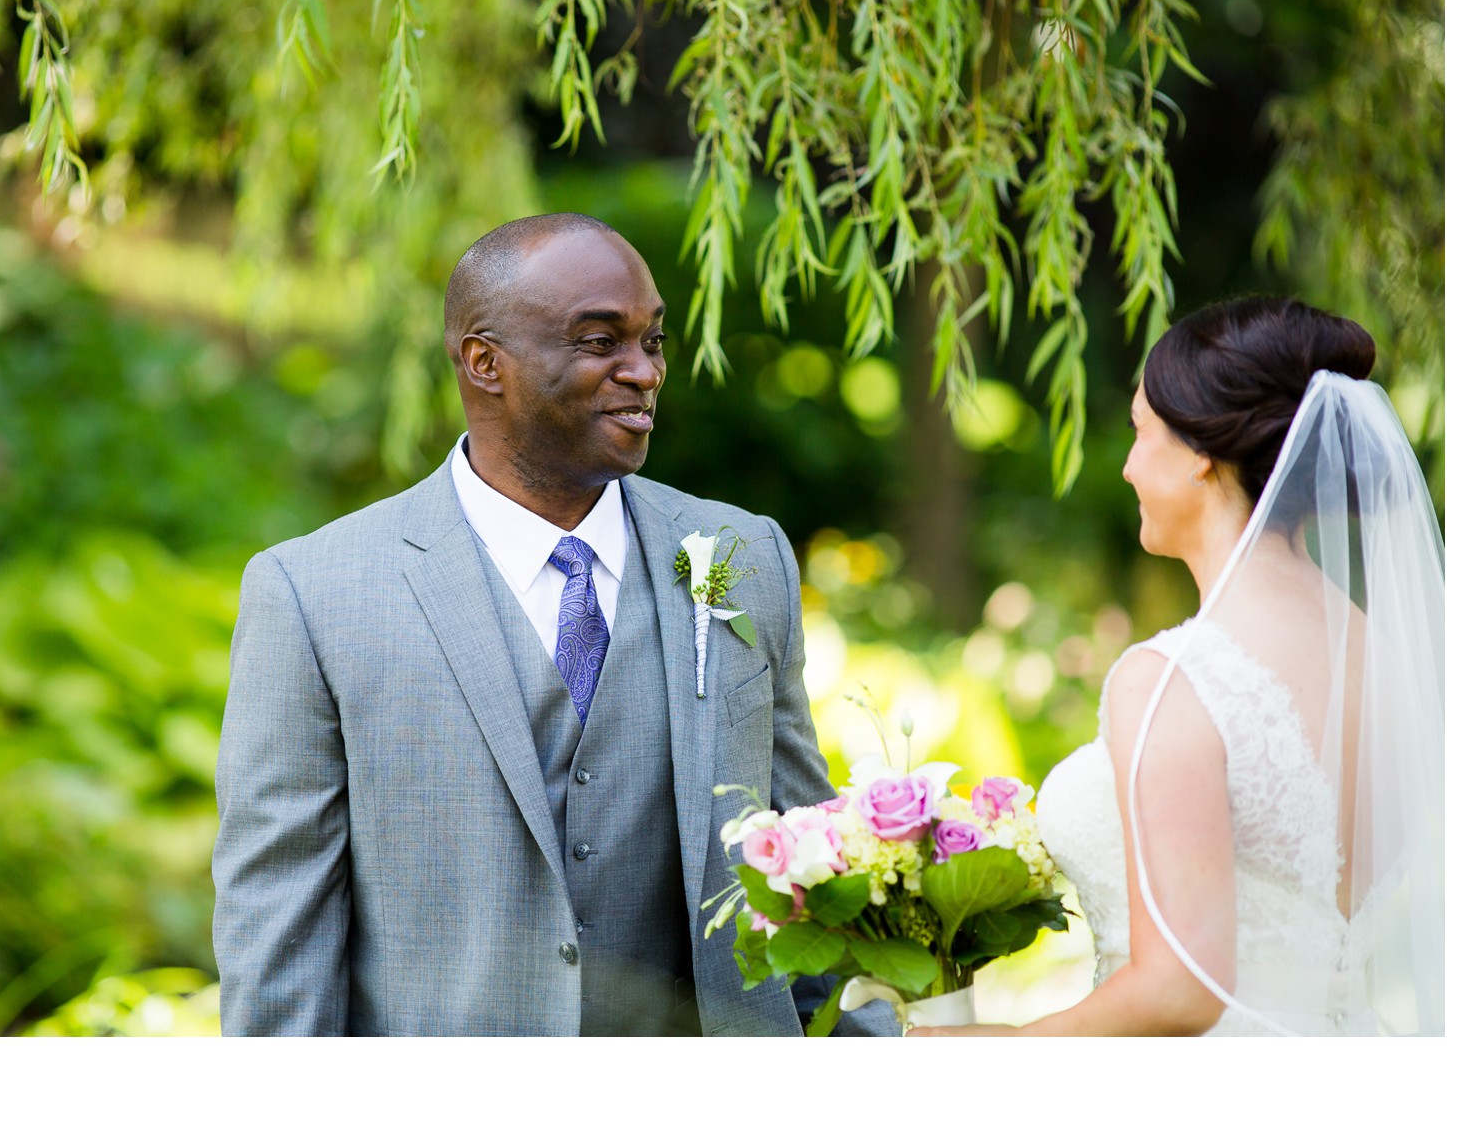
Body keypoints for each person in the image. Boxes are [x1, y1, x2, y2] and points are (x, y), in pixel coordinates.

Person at [212, 212, 895, 1036]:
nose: (643, 372)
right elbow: (278, 934)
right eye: (600, 341)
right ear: (484, 362)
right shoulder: (316, 593)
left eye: (653, 342)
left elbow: (804, 858)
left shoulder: (735, 559)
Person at [911, 296, 1443, 1036]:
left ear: (1199, 453)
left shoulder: (1173, 678)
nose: (1128, 466)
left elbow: (1178, 991)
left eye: (1140, 433)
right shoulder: (1386, 661)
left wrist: (1003, 1046)